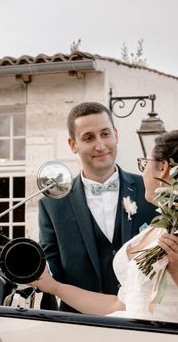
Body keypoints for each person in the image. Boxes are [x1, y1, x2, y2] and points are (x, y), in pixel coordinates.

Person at [33, 130, 178, 342]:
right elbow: (121, 305)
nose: (142, 171)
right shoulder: (155, 230)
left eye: (145, 163)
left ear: (162, 167)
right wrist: (53, 286)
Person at [38, 102, 158, 312]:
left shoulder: (150, 191)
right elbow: (52, 265)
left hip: (143, 320)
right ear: (73, 144)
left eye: (105, 134)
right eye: (88, 138)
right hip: (79, 323)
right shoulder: (52, 205)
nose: (100, 145)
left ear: (116, 135)